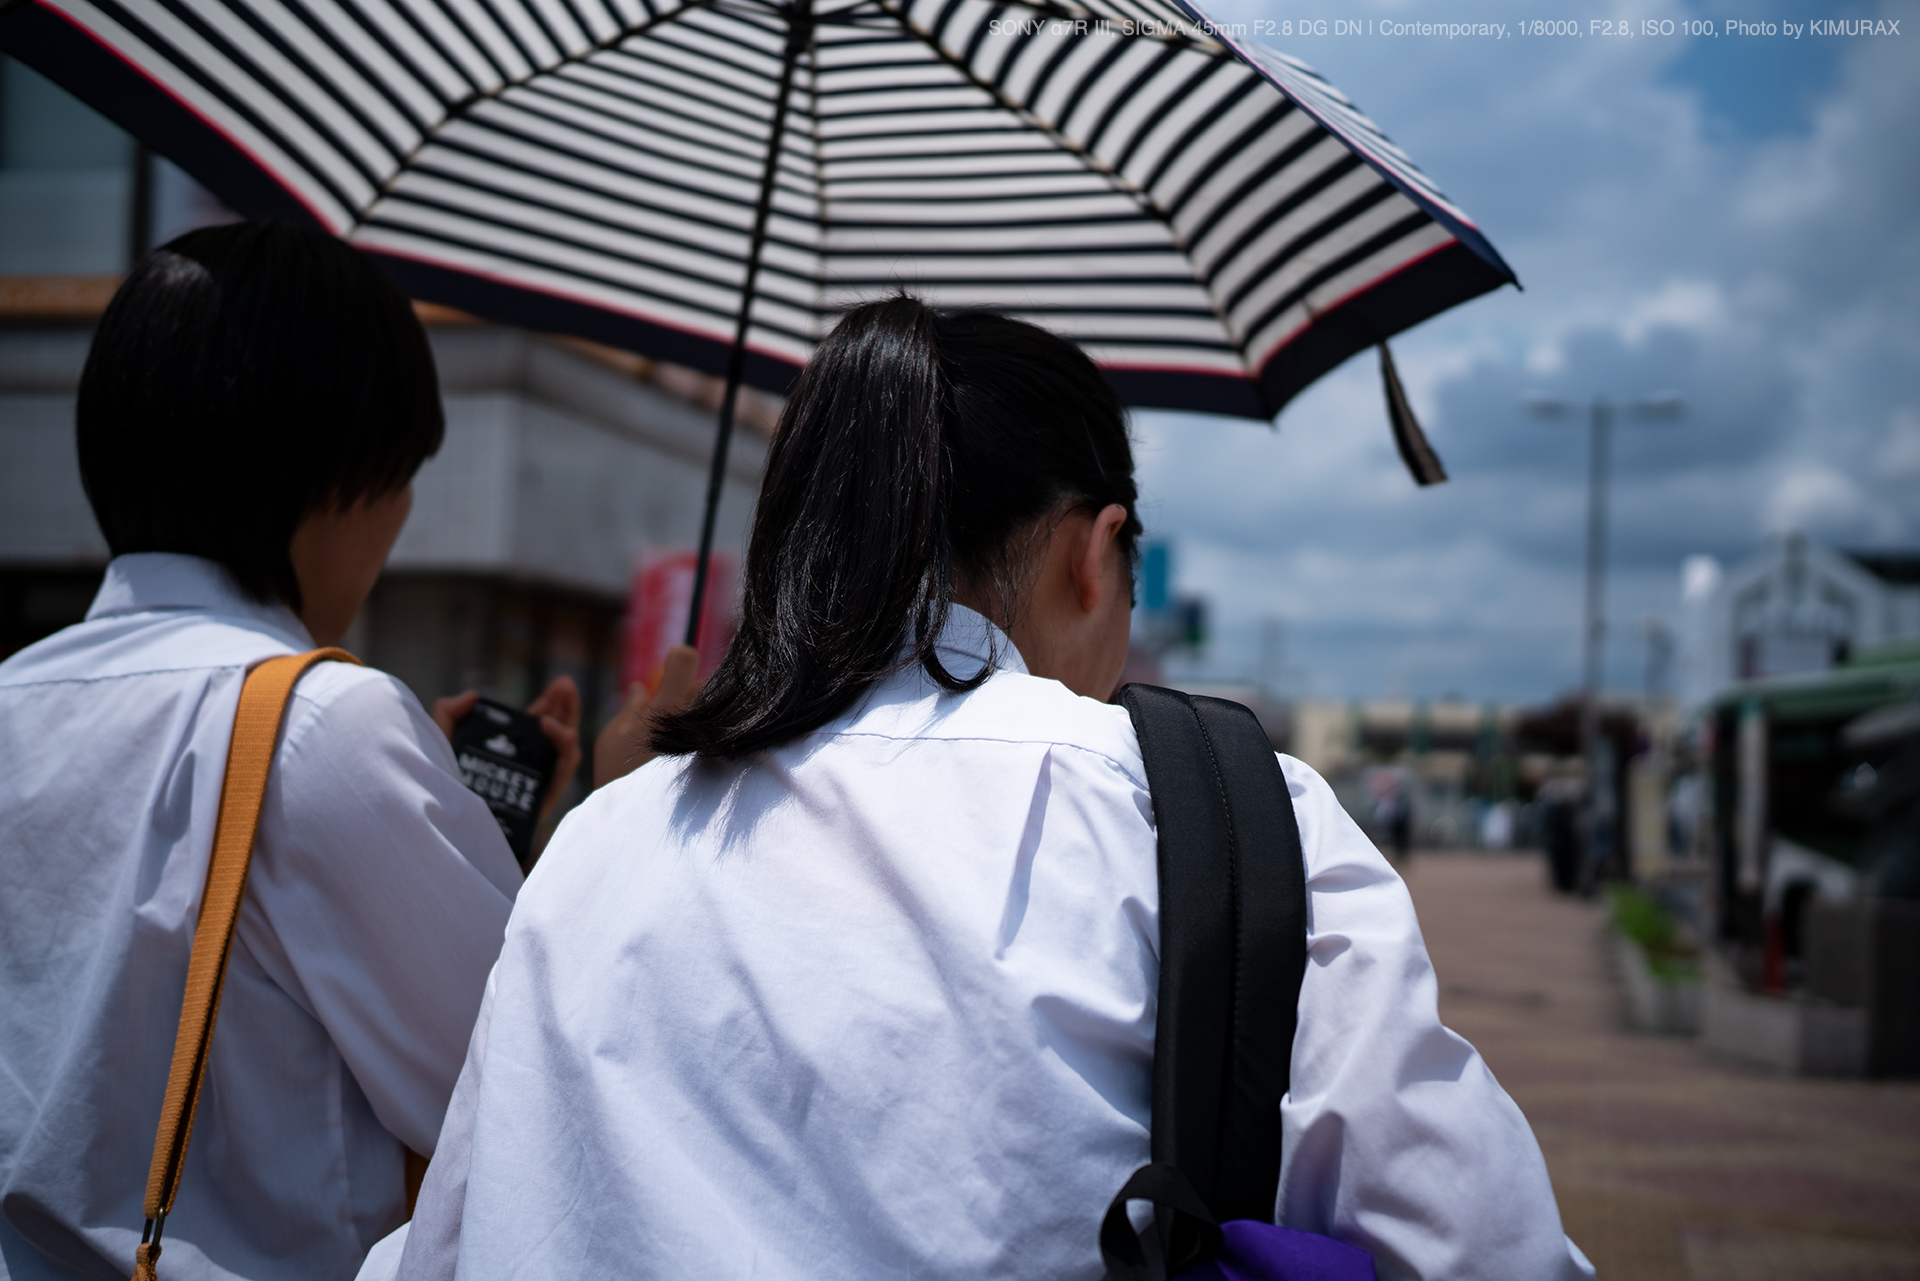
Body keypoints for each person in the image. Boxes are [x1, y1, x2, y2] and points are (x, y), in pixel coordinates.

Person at [379, 298, 1594, 1280]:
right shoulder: (1221, 819)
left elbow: (446, 1243)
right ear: (1092, 549)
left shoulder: (609, 837)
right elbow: (1487, 1246)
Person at [0, 223, 585, 1281]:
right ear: (336, 476)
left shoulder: (15, 694)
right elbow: (521, 1086)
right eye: (400, 474)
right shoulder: (324, 729)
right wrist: (619, 818)